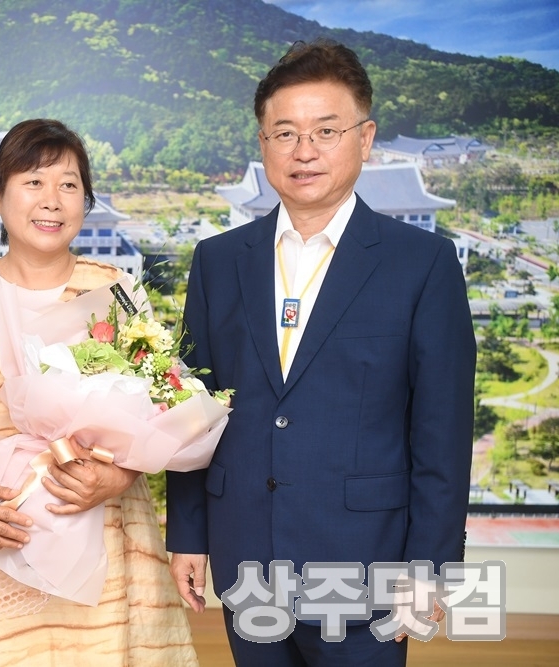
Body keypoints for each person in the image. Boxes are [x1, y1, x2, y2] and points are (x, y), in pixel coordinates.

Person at [166, 39, 476, 667]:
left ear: (365, 139)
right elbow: (190, 411)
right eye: (285, 133)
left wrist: (428, 568)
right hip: (247, 558)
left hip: (365, 565)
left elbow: (442, 434)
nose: (303, 151)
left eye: (326, 131)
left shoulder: (422, 264)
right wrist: (189, 534)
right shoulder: (218, 261)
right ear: (263, 145)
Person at [0, 118, 198, 665]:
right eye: (33, 182)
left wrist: (117, 477)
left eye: (69, 185)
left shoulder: (116, 291)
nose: (52, 200)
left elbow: (162, 407)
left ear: (85, 202)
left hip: (106, 537)